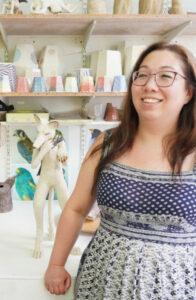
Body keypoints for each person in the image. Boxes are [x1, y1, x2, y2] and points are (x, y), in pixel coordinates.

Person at [44, 41, 196, 299]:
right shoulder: (107, 143)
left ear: (188, 93)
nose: (150, 85)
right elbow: (76, 208)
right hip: (102, 281)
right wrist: (56, 264)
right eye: (142, 74)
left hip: (176, 287)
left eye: (166, 76)